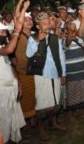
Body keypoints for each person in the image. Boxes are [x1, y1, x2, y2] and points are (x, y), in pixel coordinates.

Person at [0, 0, 29, 143]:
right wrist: (16, 32)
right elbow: (9, 50)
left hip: (11, 87)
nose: (5, 33)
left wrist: (18, 83)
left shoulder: (0, 44)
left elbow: (9, 65)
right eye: (2, 31)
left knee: (12, 121)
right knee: (3, 123)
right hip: (0, 91)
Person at [26, 12, 67, 141]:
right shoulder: (33, 38)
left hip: (54, 73)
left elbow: (61, 56)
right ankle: (41, 128)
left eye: (48, 22)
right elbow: (28, 54)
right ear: (38, 26)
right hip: (41, 75)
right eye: (44, 23)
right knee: (42, 102)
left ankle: (53, 123)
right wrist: (39, 40)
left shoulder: (54, 38)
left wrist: (63, 74)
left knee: (55, 100)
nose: (47, 25)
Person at [63, 21, 84, 123]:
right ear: (66, 30)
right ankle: (70, 115)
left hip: (82, 70)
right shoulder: (64, 41)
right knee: (71, 94)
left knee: (81, 92)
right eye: (70, 29)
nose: (73, 31)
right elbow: (67, 44)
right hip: (71, 72)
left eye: (74, 29)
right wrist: (70, 33)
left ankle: (79, 110)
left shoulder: (80, 39)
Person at [14, 4, 36, 126]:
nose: (29, 21)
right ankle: (25, 123)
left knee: (33, 97)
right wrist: (22, 7)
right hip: (23, 72)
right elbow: (16, 18)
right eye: (26, 19)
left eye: (30, 19)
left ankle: (33, 120)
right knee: (25, 99)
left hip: (33, 71)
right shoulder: (17, 35)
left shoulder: (33, 35)